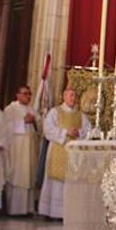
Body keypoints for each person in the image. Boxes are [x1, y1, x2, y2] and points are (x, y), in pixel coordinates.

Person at [39, 88, 91, 219]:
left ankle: (68, 212)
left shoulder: (81, 115)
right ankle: (53, 212)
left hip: (74, 154)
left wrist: (80, 133)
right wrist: (65, 132)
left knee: (71, 180)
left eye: (74, 96)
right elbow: (47, 129)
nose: (73, 98)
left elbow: (89, 131)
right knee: (56, 182)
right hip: (58, 149)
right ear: (64, 97)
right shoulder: (55, 112)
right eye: (70, 95)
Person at [3, 85, 40, 215]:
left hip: (29, 149)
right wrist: (22, 121)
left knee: (28, 176)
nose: (28, 96)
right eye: (25, 93)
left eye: (30, 94)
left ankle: (28, 209)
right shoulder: (10, 109)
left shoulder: (32, 109)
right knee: (18, 176)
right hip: (17, 149)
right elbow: (5, 128)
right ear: (17, 95)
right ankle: (14, 210)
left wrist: (34, 122)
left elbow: (40, 127)